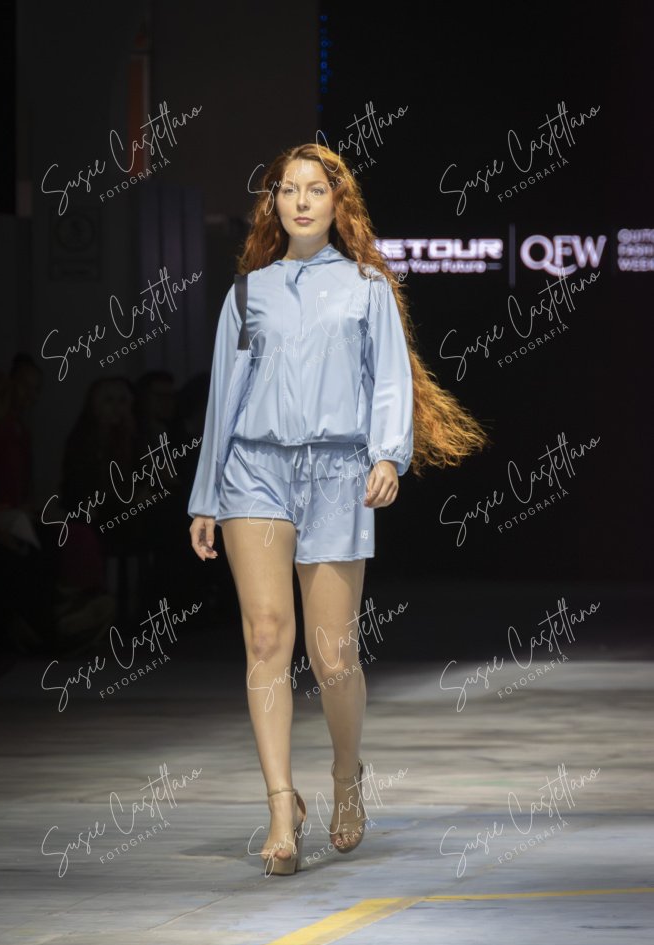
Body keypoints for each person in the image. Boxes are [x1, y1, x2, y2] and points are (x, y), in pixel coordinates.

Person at [188, 142, 489, 876]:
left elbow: (387, 379)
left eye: (314, 189)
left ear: (336, 202)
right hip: (254, 470)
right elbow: (223, 397)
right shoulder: (248, 293)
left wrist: (387, 454)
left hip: (336, 472)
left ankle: (346, 775)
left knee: (332, 655)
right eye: (287, 189)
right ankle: (279, 807)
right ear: (273, 203)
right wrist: (205, 496)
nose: (300, 201)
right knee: (266, 637)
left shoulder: (366, 288)